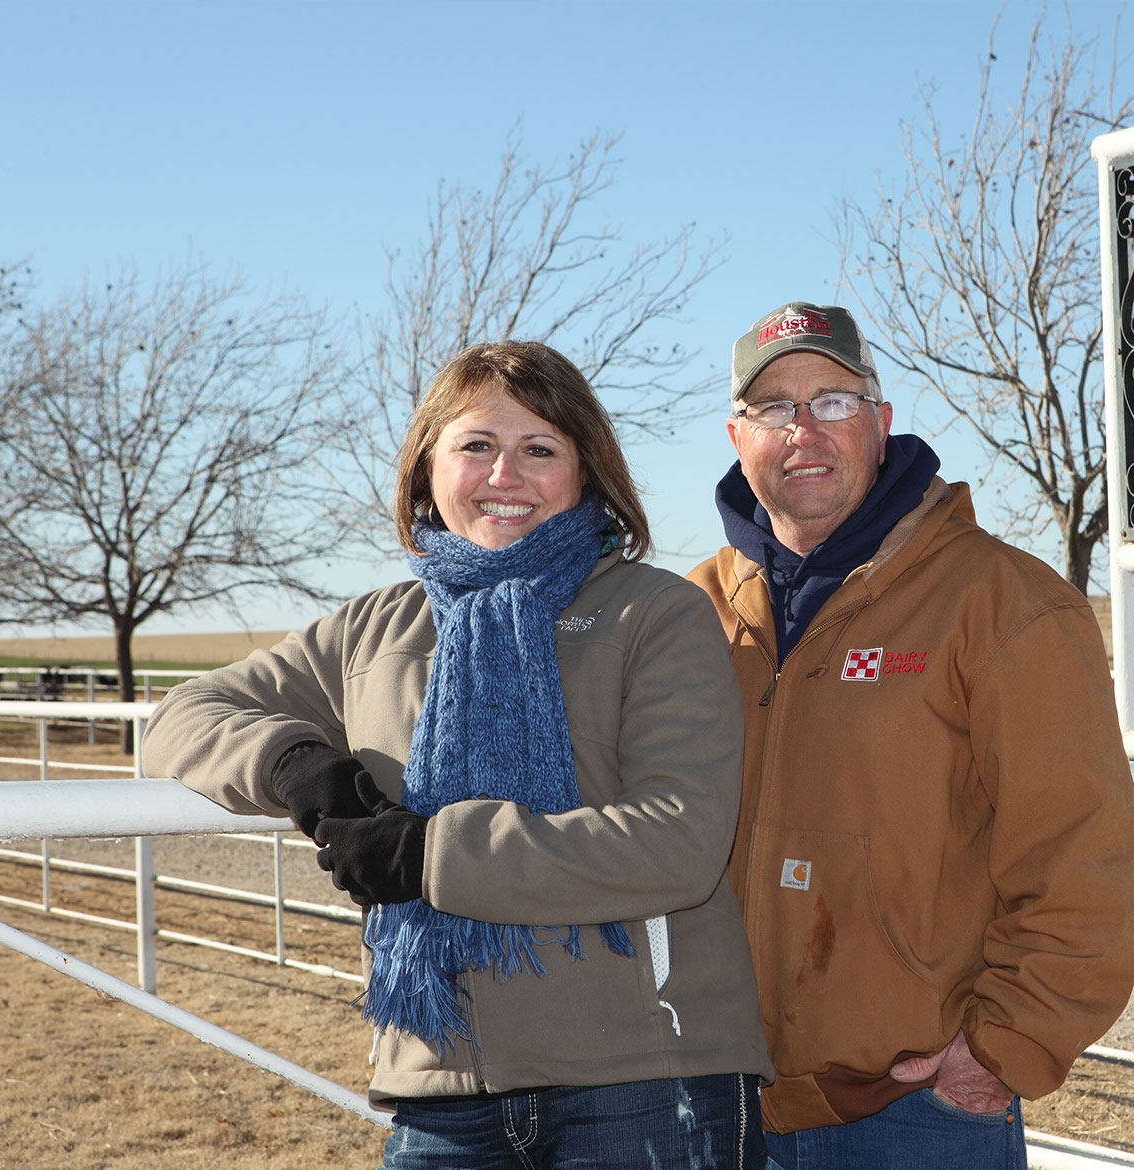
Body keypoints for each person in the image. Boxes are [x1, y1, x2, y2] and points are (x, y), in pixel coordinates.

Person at [144, 341, 771, 1168]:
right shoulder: (374, 628)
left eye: (539, 449)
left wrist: (431, 853)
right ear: (426, 472)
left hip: (644, 1077)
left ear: (586, 473)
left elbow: (677, 842)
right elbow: (182, 716)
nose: (504, 474)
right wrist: (298, 765)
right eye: (475, 445)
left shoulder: (652, 613)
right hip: (439, 1088)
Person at [687, 302, 1134, 1168]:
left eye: (832, 402)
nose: (804, 433)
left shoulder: (1003, 603)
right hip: (718, 1103)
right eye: (774, 409)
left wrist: (1000, 1054)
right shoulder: (690, 613)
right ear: (735, 434)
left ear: (881, 421)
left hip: (911, 1107)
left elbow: (1083, 858)